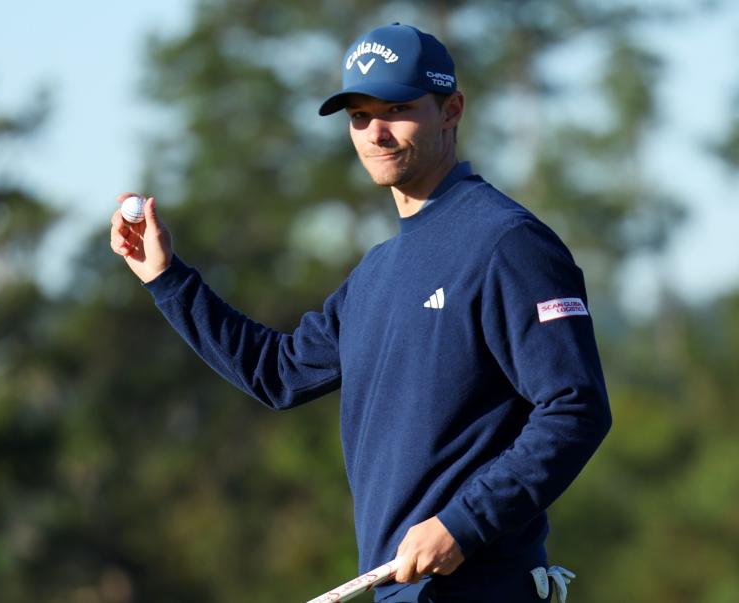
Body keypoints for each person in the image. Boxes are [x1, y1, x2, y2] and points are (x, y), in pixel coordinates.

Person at [109, 22, 611, 603]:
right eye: (358, 117)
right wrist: (167, 279)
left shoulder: (508, 244)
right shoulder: (376, 274)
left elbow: (576, 407)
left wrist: (463, 523)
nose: (377, 133)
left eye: (397, 108)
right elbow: (277, 373)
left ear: (451, 109)